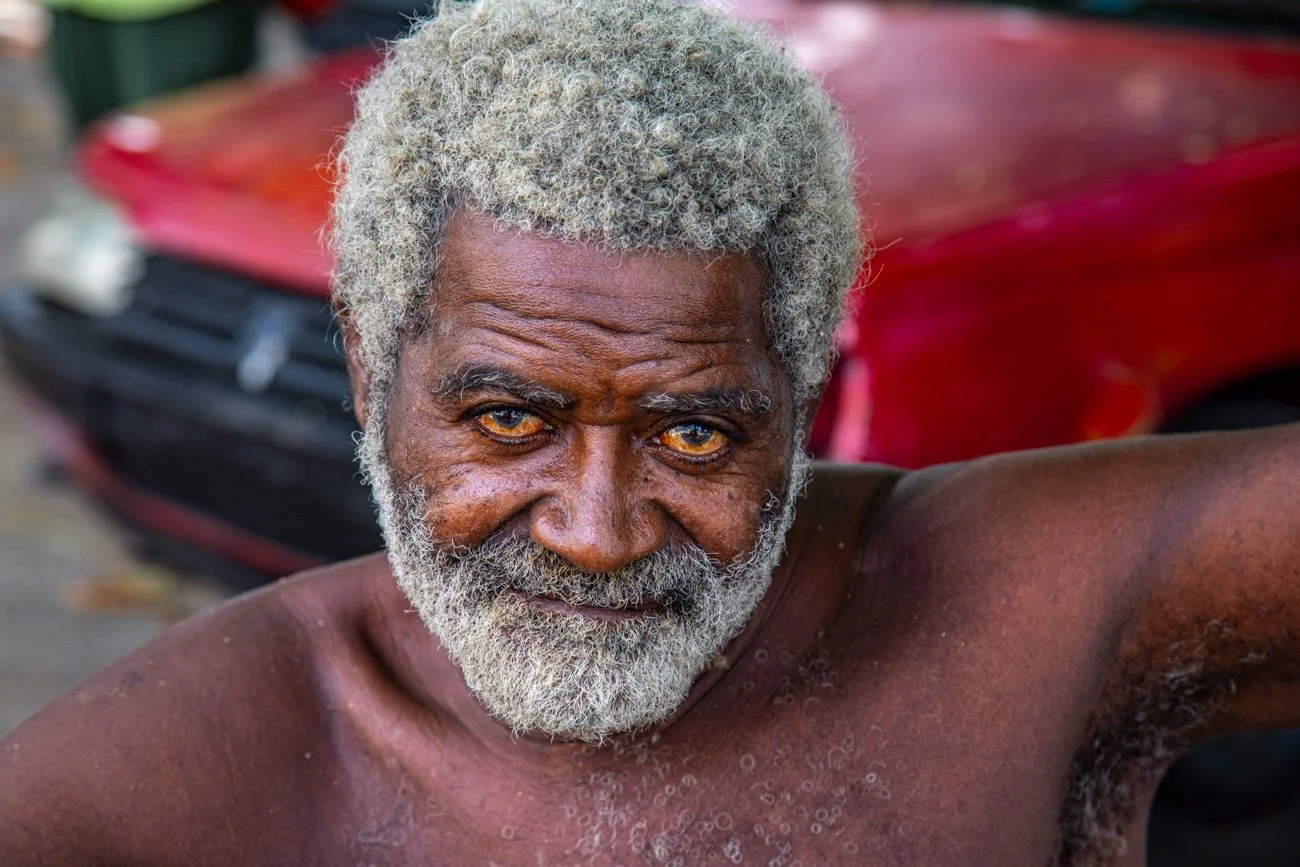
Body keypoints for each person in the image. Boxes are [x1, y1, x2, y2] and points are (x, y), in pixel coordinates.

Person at [2, 1, 1297, 864]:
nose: (599, 532)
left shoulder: (1032, 608)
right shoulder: (203, 766)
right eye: (509, 418)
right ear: (367, 364)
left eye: (692, 435)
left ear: (794, 392)